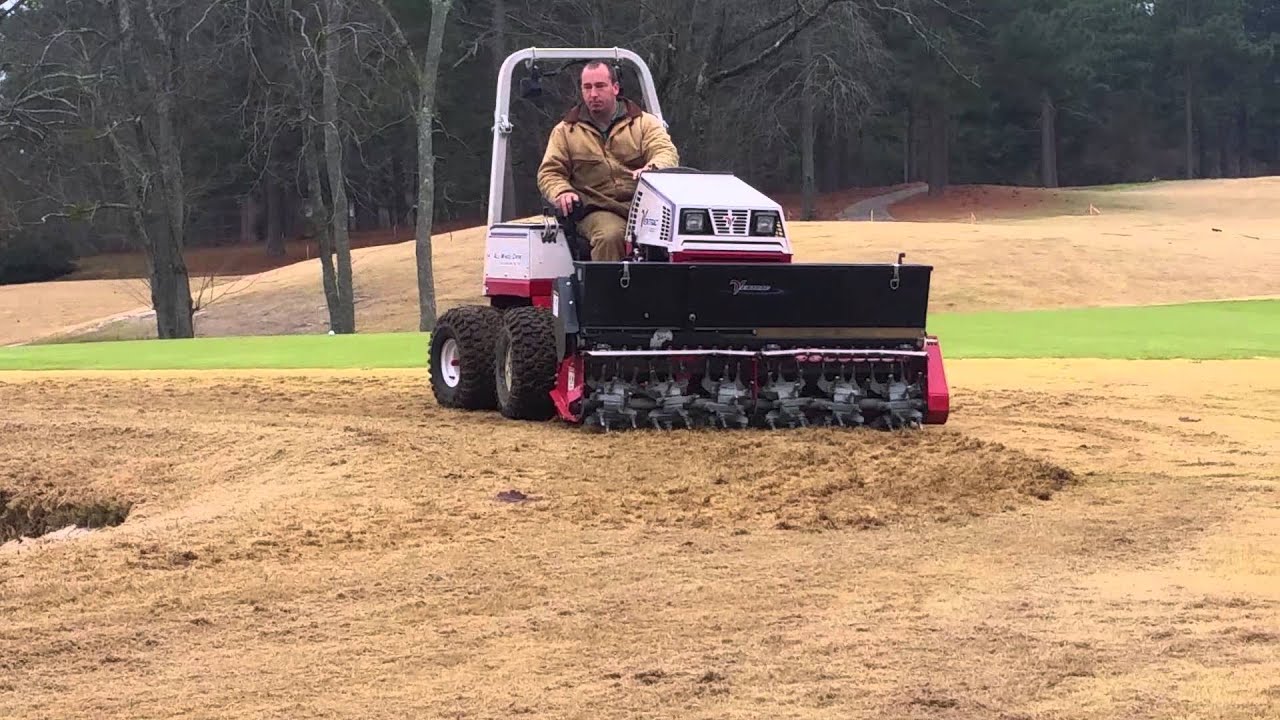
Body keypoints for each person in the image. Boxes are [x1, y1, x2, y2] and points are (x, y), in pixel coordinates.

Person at [536, 61, 679, 261]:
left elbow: (665, 151)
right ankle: (607, 283)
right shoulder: (565, 131)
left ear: (615, 88)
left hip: (646, 209)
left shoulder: (644, 123)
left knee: (685, 235)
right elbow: (550, 172)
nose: (593, 94)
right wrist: (562, 192)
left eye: (600, 86)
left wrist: (653, 168)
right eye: (587, 87)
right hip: (597, 209)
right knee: (610, 236)